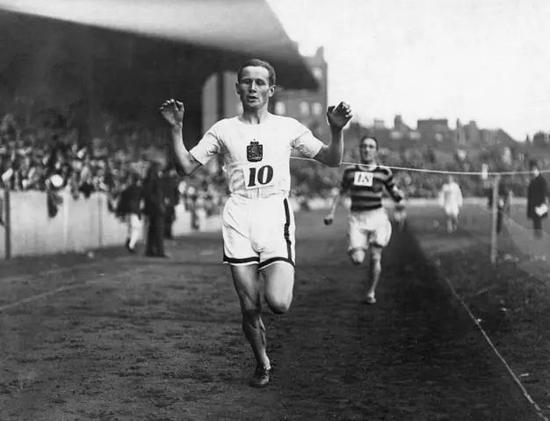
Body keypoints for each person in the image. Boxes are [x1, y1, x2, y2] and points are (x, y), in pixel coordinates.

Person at [159, 58, 352, 388]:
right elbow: (185, 167)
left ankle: (276, 275)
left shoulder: (288, 127)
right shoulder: (223, 129)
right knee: (249, 308)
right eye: (247, 82)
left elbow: (332, 159)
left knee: (279, 303)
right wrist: (176, 128)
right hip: (239, 214)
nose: (253, 87)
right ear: (238, 88)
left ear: (271, 90)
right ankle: (262, 362)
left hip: (274, 212)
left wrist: (336, 129)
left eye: (260, 82)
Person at [323, 136, 403, 305]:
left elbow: (394, 192)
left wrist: (398, 195)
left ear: (376, 151)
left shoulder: (384, 172)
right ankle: (355, 245)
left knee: (375, 256)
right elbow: (341, 193)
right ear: (360, 149)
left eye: (371, 146)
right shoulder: (350, 171)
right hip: (357, 218)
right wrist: (331, 213)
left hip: (377, 216)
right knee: (357, 259)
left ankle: (371, 292)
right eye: (364, 146)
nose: (367, 149)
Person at [142, 162, 168, 257]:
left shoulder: (149, 179)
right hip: (156, 208)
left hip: (152, 208)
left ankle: (150, 250)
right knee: (159, 231)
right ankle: (159, 251)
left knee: (152, 230)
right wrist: (159, 204)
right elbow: (151, 194)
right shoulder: (153, 179)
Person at [116, 172, 143, 253]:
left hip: (128, 212)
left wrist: (120, 213)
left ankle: (129, 241)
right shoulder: (139, 189)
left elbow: (121, 202)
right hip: (134, 211)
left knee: (131, 228)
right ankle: (130, 245)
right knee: (136, 229)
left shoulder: (126, 190)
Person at [527, 160, 548, 239]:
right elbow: (530, 191)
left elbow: (544, 192)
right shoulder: (533, 180)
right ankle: (536, 234)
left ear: (537, 170)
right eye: (532, 170)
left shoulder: (541, 180)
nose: (533, 171)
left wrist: (542, 203)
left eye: (534, 169)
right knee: (535, 219)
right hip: (533, 202)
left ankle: (538, 235)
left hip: (539, 202)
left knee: (537, 219)